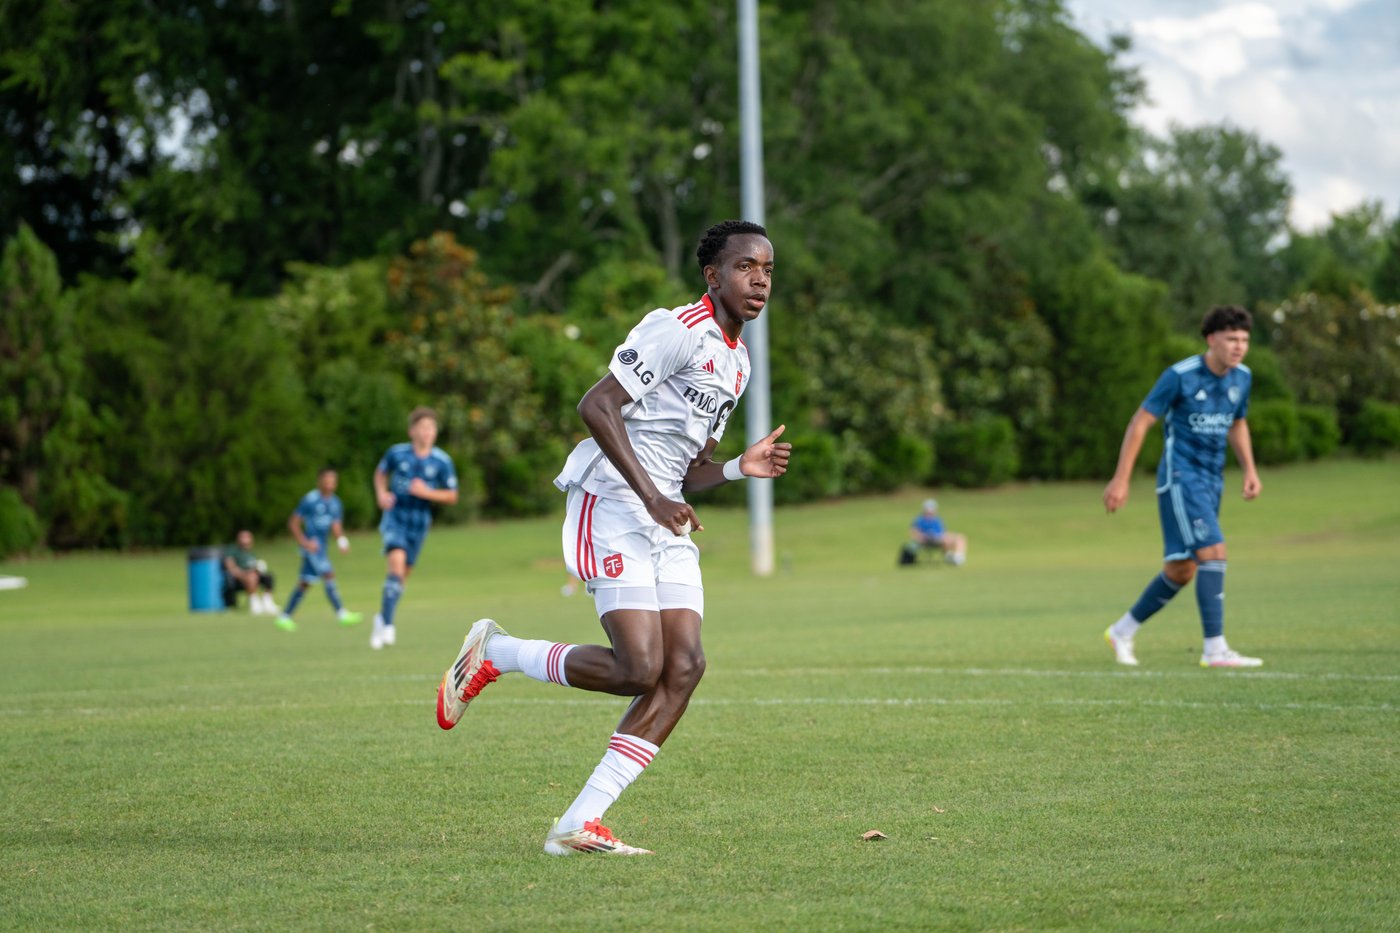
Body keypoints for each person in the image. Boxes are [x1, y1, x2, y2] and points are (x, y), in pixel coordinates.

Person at [434, 219, 792, 856]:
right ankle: (498, 652)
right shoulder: (676, 329)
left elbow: (687, 468)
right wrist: (654, 497)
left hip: (664, 515)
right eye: (745, 267)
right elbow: (596, 405)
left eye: (767, 268)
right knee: (637, 668)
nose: (759, 279)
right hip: (617, 505)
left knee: (683, 667)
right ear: (713, 275)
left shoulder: (735, 364)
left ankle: (578, 823)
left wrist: (739, 467)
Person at [1102, 305, 1263, 669]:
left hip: (1212, 481)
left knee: (1182, 570)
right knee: (1214, 552)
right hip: (1180, 478)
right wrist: (1121, 479)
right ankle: (1215, 648)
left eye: (1244, 340)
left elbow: (1237, 423)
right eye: (1231, 339)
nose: (1239, 347)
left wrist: (1249, 469)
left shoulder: (1243, 378)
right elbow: (1140, 422)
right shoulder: (1180, 376)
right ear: (1211, 339)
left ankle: (1122, 630)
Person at [371, 407, 459, 649]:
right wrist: (381, 494)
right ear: (412, 431)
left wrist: (427, 492)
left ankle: (381, 616)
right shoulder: (397, 453)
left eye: (431, 428)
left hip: (419, 523)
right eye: (422, 428)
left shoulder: (442, 461)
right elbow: (380, 474)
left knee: (401, 579)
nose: (426, 432)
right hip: (395, 517)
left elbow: (452, 496)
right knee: (396, 567)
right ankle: (388, 624)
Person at [275, 468, 363, 633]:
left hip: (323, 547)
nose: (330, 484)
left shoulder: (335, 503)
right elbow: (293, 523)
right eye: (327, 480)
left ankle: (284, 616)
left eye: (333, 480)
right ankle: (341, 613)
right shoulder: (310, 500)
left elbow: (335, 525)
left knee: (305, 583)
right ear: (319, 481)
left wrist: (342, 541)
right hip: (312, 548)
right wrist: (305, 543)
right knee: (328, 574)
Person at [221, 529, 276, 615]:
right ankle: (254, 603)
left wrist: (258, 569)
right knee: (251, 576)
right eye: (243, 537)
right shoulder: (232, 550)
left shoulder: (251, 553)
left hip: (254, 575)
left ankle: (267, 602)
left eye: (248, 537)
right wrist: (245, 574)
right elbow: (230, 567)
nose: (246, 540)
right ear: (238, 539)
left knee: (268, 576)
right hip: (239, 578)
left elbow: (254, 566)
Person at [901, 498, 967, 566]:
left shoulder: (937, 520)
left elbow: (942, 532)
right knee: (946, 539)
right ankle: (950, 557)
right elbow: (914, 533)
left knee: (959, 537)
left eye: (932, 510)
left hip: (939, 539)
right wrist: (922, 537)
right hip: (927, 541)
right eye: (928, 510)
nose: (930, 512)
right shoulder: (920, 520)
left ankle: (957, 558)